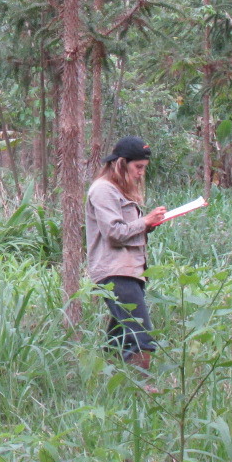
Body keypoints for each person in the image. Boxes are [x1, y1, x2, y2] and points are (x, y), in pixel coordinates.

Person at [85, 136, 168, 369]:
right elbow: (113, 232)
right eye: (138, 167)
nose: (140, 173)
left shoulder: (117, 191)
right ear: (121, 163)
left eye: (144, 168)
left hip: (131, 270)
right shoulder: (103, 190)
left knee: (119, 335)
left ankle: (108, 385)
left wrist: (147, 225)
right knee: (140, 335)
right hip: (116, 272)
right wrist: (145, 222)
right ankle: (142, 390)